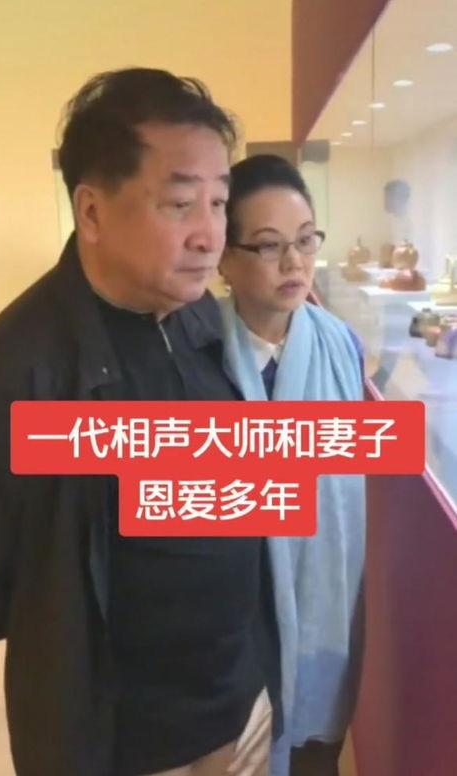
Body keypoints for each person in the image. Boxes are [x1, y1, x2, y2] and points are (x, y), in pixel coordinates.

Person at [0, 69, 275, 776]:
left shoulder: (199, 316)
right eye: (180, 203)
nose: (209, 235)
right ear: (92, 212)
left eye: (219, 202)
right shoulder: (10, 374)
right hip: (116, 743)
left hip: (238, 706)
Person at [218, 155, 366, 776]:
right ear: (225, 259)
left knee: (312, 758)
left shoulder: (340, 346)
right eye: (269, 245)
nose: (294, 263)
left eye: (306, 241)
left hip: (323, 611)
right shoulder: (194, 357)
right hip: (230, 628)